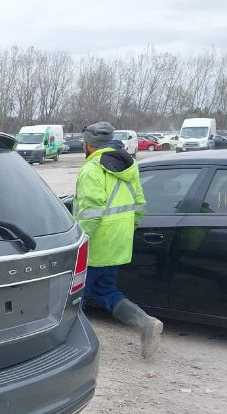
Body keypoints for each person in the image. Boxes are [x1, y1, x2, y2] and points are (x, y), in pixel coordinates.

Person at [74, 121, 163, 358]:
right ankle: (146, 324)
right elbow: (140, 206)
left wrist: (79, 243)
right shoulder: (129, 165)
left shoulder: (93, 169)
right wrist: (124, 232)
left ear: (89, 145)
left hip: (95, 247)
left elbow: (91, 213)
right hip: (118, 245)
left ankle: (79, 350)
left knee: (75, 299)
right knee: (107, 292)